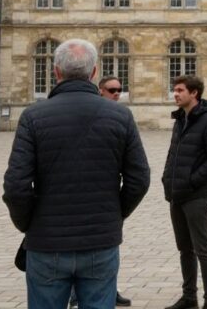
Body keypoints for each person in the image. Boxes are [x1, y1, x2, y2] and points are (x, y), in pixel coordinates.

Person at [3, 39, 150, 309]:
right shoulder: (120, 116)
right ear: (95, 73)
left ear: (56, 72)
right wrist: (114, 214)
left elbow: (16, 186)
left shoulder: (33, 116)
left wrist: (29, 223)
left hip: (47, 241)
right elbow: (139, 179)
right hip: (100, 239)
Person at [67, 76, 134, 308]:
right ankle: (77, 293)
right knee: (82, 247)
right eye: (112, 90)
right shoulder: (91, 115)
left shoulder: (120, 117)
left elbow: (136, 173)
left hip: (106, 202)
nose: (116, 94)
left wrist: (120, 207)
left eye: (119, 90)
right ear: (100, 90)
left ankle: (110, 288)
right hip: (80, 199)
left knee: (107, 250)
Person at [162, 75, 207, 309]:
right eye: (174, 90)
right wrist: (167, 179)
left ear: (194, 93)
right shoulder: (180, 120)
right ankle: (189, 297)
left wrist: (192, 181)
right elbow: (173, 154)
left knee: (203, 249)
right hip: (176, 194)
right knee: (184, 249)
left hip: (197, 195)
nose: (175, 94)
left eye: (179, 90)